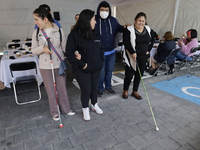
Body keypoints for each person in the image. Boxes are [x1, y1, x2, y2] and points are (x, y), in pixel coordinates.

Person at [31, 8, 75, 121]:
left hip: (59, 64)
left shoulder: (59, 30)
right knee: (50, 90)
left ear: (45, 19)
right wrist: (42, 48)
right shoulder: (36, 33)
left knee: (62, 88)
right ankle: (54, 111)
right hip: (45, 66)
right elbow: (33, 50)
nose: (35, 22)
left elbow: (65, 47)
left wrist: (75, 54)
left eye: (37, 19)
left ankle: (66, 109)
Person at [66, 9, 104, 121]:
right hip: (82, 69)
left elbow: (101, 48)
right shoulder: (74, 35)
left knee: (94, 88)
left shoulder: (95, 33)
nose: (95, 22)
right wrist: (82, 65)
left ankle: (94, 104)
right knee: (86, 89)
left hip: (96, 68)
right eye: (93, 19)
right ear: (87, 20)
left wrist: (101, 61)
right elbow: (69, 54)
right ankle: (85, 108)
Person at [95, 1, 127, 97]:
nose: (104, 11)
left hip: (111, 52)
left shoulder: (113, 20)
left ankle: (108, 87)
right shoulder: (95, 20)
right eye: (102, 10)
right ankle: (99, 88)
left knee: (109, 71)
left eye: (106, 10)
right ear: (98, 10)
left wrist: (125, 27)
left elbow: (120, 28)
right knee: (100, 72)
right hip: (99, 53)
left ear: (109, 11)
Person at [122, 12, 154, 99]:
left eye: (143, 21)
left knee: (139, 74)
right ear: (135, 20)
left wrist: (149, 50)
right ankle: (125, 90)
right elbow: (126, 42)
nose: (141, 23)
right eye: (139, 20)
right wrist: (132, 52)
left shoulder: (148, 29)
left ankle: (135, 91)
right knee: (129, 74)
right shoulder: (128, 29)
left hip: (143, 56)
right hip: (131, 56)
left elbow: (153, 39)